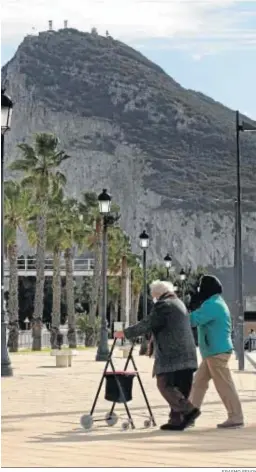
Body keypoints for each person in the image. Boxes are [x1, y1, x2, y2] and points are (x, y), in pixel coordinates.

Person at [124, 280, 199, 431]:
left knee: (164, 384)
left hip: (172, 355)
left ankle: (189, 410)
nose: (153, 299)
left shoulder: (163, 305)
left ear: (157, 294)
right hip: (188, 355)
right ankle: (176, 421)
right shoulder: (179, 303)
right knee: (180, 387)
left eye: (153, 296)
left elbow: (147, 324)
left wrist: (125, 333)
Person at [189, 274, 244, 429]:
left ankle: (236, 417)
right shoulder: (215, 302)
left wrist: (179, 316)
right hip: (212, 352)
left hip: (216, 352)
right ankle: (189, 416)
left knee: (224, 385)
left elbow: (194, 319)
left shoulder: (212, 305)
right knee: (199, 383)